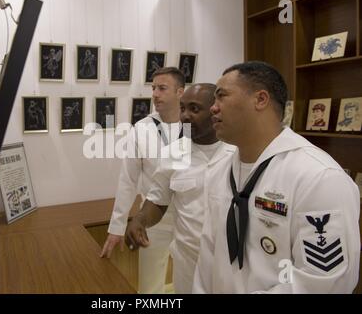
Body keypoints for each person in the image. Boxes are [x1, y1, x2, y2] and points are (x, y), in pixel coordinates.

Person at [192, 61, 360, 293]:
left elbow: (324, 282)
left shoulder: (318, 177)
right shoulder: (220, 170)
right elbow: (209, 256)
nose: (213, 108)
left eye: (221, 96)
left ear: (260, 99)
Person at [124, 83, 235, 293]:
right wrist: (139, 220)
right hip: (187, 263)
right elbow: (158, 200)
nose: (185, 116)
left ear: (216, 109)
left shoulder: (240, 151)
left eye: (194, 109)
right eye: (182, 108)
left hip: (231, 264)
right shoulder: (173, 153)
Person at [100, 67, 185, 294]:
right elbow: (128, 179)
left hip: (189, 217)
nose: (155, 94)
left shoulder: (196, 127)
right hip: (152, 218)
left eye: (162, 88)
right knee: (149, 287)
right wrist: (116, 227)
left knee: (190, 283)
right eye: (153, 88)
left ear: (180, 92)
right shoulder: (141, 128)